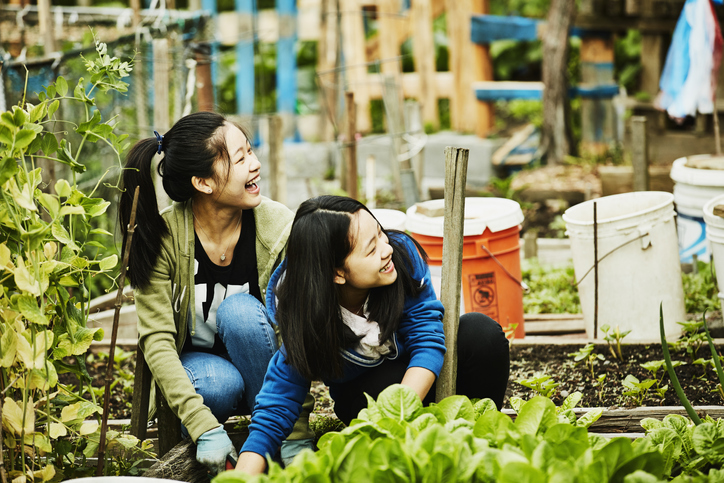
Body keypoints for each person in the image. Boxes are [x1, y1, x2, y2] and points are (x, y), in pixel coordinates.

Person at [235, 195, 510, 474]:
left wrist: (402, 410)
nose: (386, 248)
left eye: (380, 232)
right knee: (381, 385)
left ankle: (477, 444)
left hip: (422, 376)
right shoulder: (306, 313)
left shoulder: (401, 257)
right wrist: (240, 478)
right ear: (337, 273)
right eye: (370, 249)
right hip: (369, 400)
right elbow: (277, 404)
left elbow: (427, 338)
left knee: (480, 334)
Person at [119, 112, 313, 476]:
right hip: (207, 376)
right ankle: (217, 435)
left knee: (239, 312)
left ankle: (277, 433)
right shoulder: (164, 237)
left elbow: (292, 331)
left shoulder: (277, 227)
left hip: (267, 374)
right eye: (241, 159)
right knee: (220, 384)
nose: (255, 165)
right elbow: (157, 341)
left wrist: (296, 429)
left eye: (250, 152)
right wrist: (202, 425)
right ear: (203, 182)